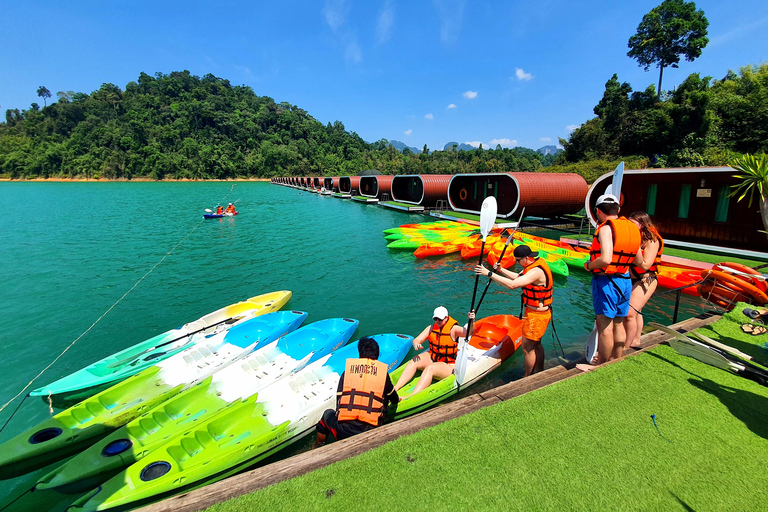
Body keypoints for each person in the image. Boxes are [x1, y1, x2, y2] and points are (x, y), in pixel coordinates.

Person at [579, 194, 643, 369]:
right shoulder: (632, 228)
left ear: (598, 211)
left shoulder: (606, 229)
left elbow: (606, 259)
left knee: (604, 325)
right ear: (619, 210)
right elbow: (639, 260)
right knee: (618, 322)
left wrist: (589, 265)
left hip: (606, 281)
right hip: (625, 280)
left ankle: (601, 366)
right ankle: (616, 359)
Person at [474, 244, 553, 376]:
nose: (517, 262)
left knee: (527, 348)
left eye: (518, 260)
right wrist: (501, 270)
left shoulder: (535, 271)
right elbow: (518, 277)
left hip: (538, 315)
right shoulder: (532, 265)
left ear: (526, 258)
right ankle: (539, 371)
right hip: (534, 312)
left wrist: (489, 274)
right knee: (536, 344)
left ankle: (527, 378)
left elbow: (512, 285)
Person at [313, 337, 398, 447]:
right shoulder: (383, 375)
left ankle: (317, 448)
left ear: (359, 355)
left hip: (343, 432)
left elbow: (339, 404)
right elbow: (394, 398)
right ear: (377, 356)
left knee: (326, 415)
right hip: (370, 431)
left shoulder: (346, 373)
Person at [393, 306, 475, 399]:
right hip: (433, 358)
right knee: (414, 361)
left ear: (446, 318)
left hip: (448, 364)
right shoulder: (431, 328)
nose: (437, 321)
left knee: (430, 368)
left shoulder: (454, 329)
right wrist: (416, 344)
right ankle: (395, 388)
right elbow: (416, 340)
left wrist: (471, 321)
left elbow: (469, 332)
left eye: (440, 319)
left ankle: (412, 396)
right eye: (435, 318)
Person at [623, 211, 663, 350]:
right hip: (630, 278)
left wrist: (634, 249)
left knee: (629, 313)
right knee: (637, 311)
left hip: (646, 279)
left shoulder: (652, 241)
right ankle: (636, 340)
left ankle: (625, 346)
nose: (628, 225)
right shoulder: (633, 237)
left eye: (632, 223)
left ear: (641, 224)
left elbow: (646, 264)